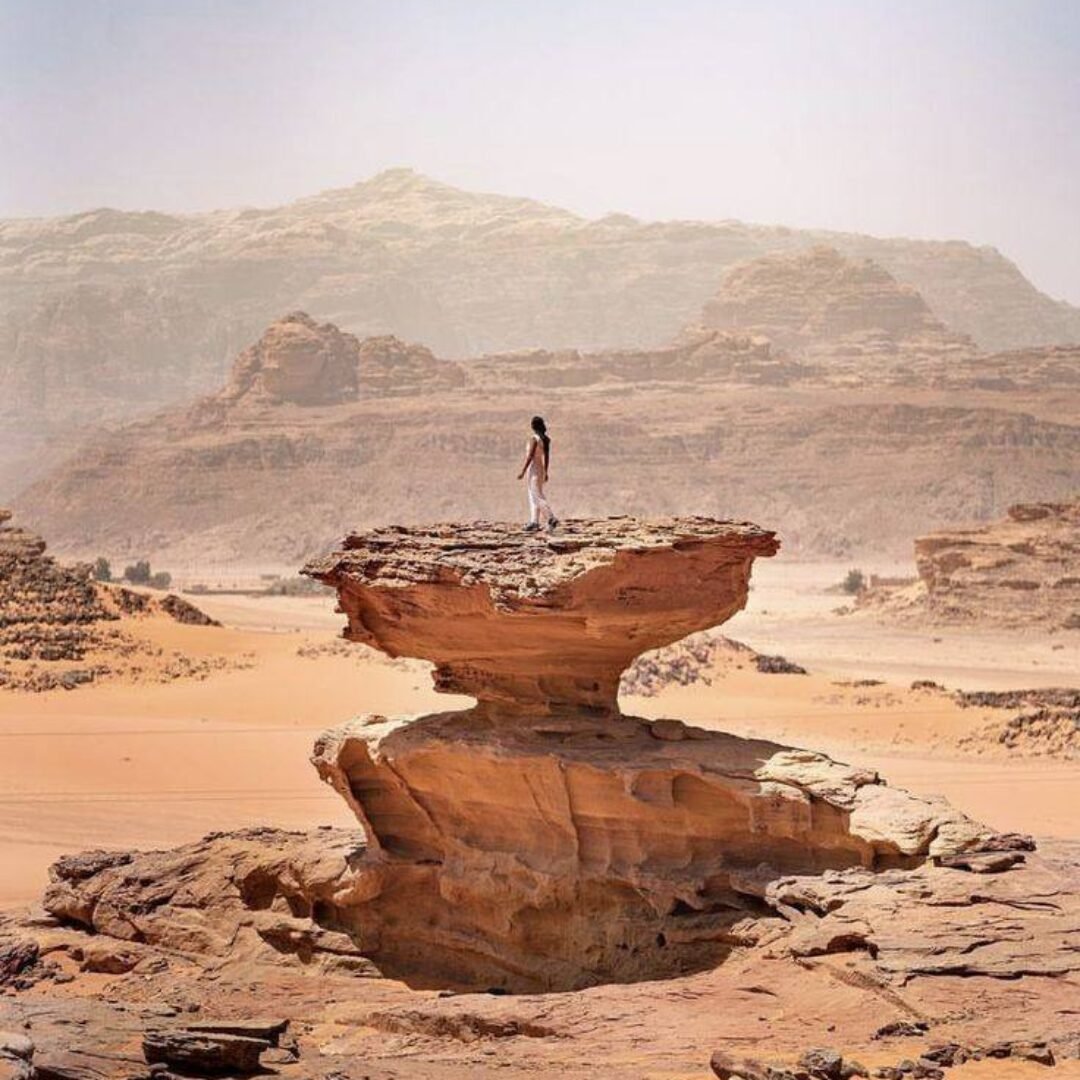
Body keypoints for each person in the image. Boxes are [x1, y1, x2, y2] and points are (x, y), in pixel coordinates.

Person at [517, 415, 560, 532]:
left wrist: (523, 471)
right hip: (540, 468)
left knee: (536, 495)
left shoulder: (534, 439)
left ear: (533, 426)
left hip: (534, 469)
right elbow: (547, 457)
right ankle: (534, 521)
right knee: (533, 494)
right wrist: (546, 471)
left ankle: (550, 517)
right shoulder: (545, 440)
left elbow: (530, 456)